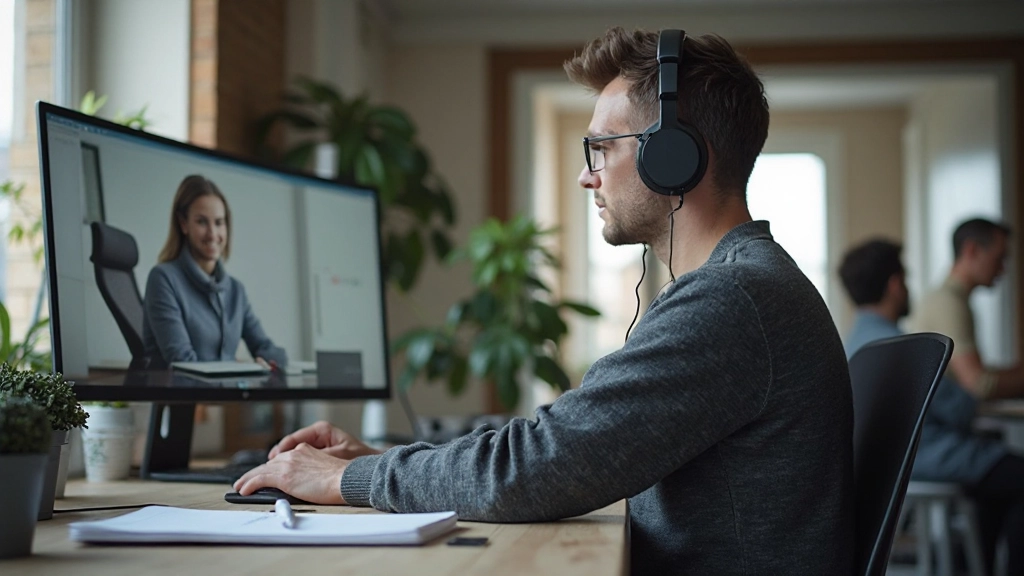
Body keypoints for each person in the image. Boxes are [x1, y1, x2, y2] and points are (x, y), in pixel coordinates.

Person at [235, 28, 854, 575]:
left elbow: (535, 467)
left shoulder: (731, 299)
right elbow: (558, 446)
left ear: (676, 156)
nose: (589, 175)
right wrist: (386, 462)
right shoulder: (740, 285)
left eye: (602, 149)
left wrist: (346, 479)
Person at [907, 218, 1024, 576]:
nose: (1004, 269)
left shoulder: (951, 301)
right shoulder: (947, 303)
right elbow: (979, 384)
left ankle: (976, 566)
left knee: (999, 482)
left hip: (941, 440)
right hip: (936, 446)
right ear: (972, 251)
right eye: (1000, 257)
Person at [141, 174, 287, 369]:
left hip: (227, 396)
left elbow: (268, 349)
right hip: (186, 398)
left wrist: (267, 361)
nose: (212, 234)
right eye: (202, 222)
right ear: (183, 224)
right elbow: (182, 362)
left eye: (219, 222)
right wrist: (240, 370)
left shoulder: (235, 290)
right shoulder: (164, 279)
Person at [837, 239, 910, 357]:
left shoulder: (848, 347)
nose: (907, 290)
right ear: (895, 284)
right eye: (905, 280)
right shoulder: (908, 350)